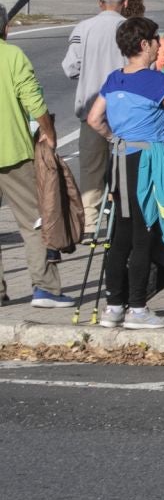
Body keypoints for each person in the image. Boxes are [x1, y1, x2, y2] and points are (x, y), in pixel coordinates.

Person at [85, 16, 164, 330]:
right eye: (156, 40)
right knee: (143, 236)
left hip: (119, 159)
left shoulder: (114, 78)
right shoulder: (157, 82)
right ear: (144, 44)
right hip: (146, 161)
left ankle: (114, 306)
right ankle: (138, 309)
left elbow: (94, 119)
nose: (159, 45)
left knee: (120, 234)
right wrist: (160, 133)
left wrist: (113, 137)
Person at [0, 19, 65, 310]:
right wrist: (48, 134)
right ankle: (45, 288)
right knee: (34, 221)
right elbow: (33, 100)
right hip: (12, 151)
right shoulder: (12, 56)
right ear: (5, 29)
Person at [63, 0, 129, 230]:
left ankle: (90, 223)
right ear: (124, 3)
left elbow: (70, 67)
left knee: (91, 168)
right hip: (124, 111)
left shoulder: (84, 28)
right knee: (123, 166)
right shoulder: (129, 29)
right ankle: (121, 220)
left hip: (91, 108)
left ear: (100, 3)